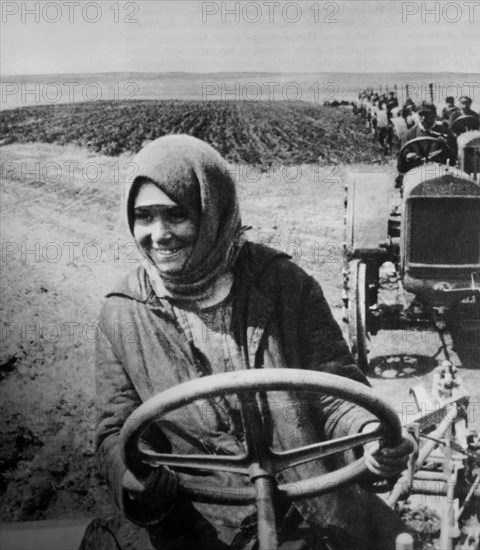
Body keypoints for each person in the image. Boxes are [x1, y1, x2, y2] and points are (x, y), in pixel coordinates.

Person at [95, 135, 413, 550]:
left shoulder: (285, 285)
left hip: (317, 503)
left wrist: (369, 436)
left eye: (176, 215)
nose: (159, 235)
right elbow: (114, 431)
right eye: (144, 217)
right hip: (204, 522)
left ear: (212, 211)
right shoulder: (122, 313)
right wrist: (134, 479)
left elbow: (336, 394)